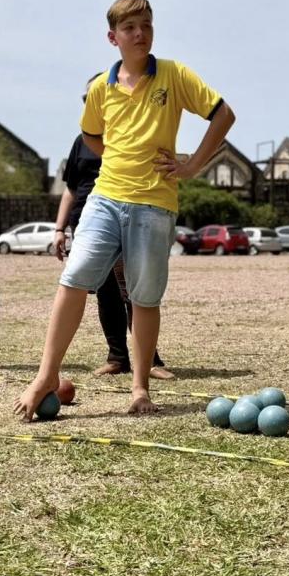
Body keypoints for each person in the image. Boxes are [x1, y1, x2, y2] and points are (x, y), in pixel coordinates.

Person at [15, 0, 235, 419]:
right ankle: (46, 374)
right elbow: (91, 138)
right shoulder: (100, 89)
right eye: (131, 28)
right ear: (113, 37)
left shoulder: (174, 74)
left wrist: (192, 164)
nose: (141, 34)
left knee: (144, 297)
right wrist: (118, 153)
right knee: (74, 278)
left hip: (155, 204)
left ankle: (139, 387)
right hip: (106, 198)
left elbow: (223, 115)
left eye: (147, 25)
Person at [54, 113, 173, 380]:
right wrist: (59, 228)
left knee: (133, 291)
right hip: (88, 222)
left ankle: (150, 361)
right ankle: (117, 357)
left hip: (125, 216)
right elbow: (70, 188)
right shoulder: (81, 141)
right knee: (105, 294)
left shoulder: (132, 134)